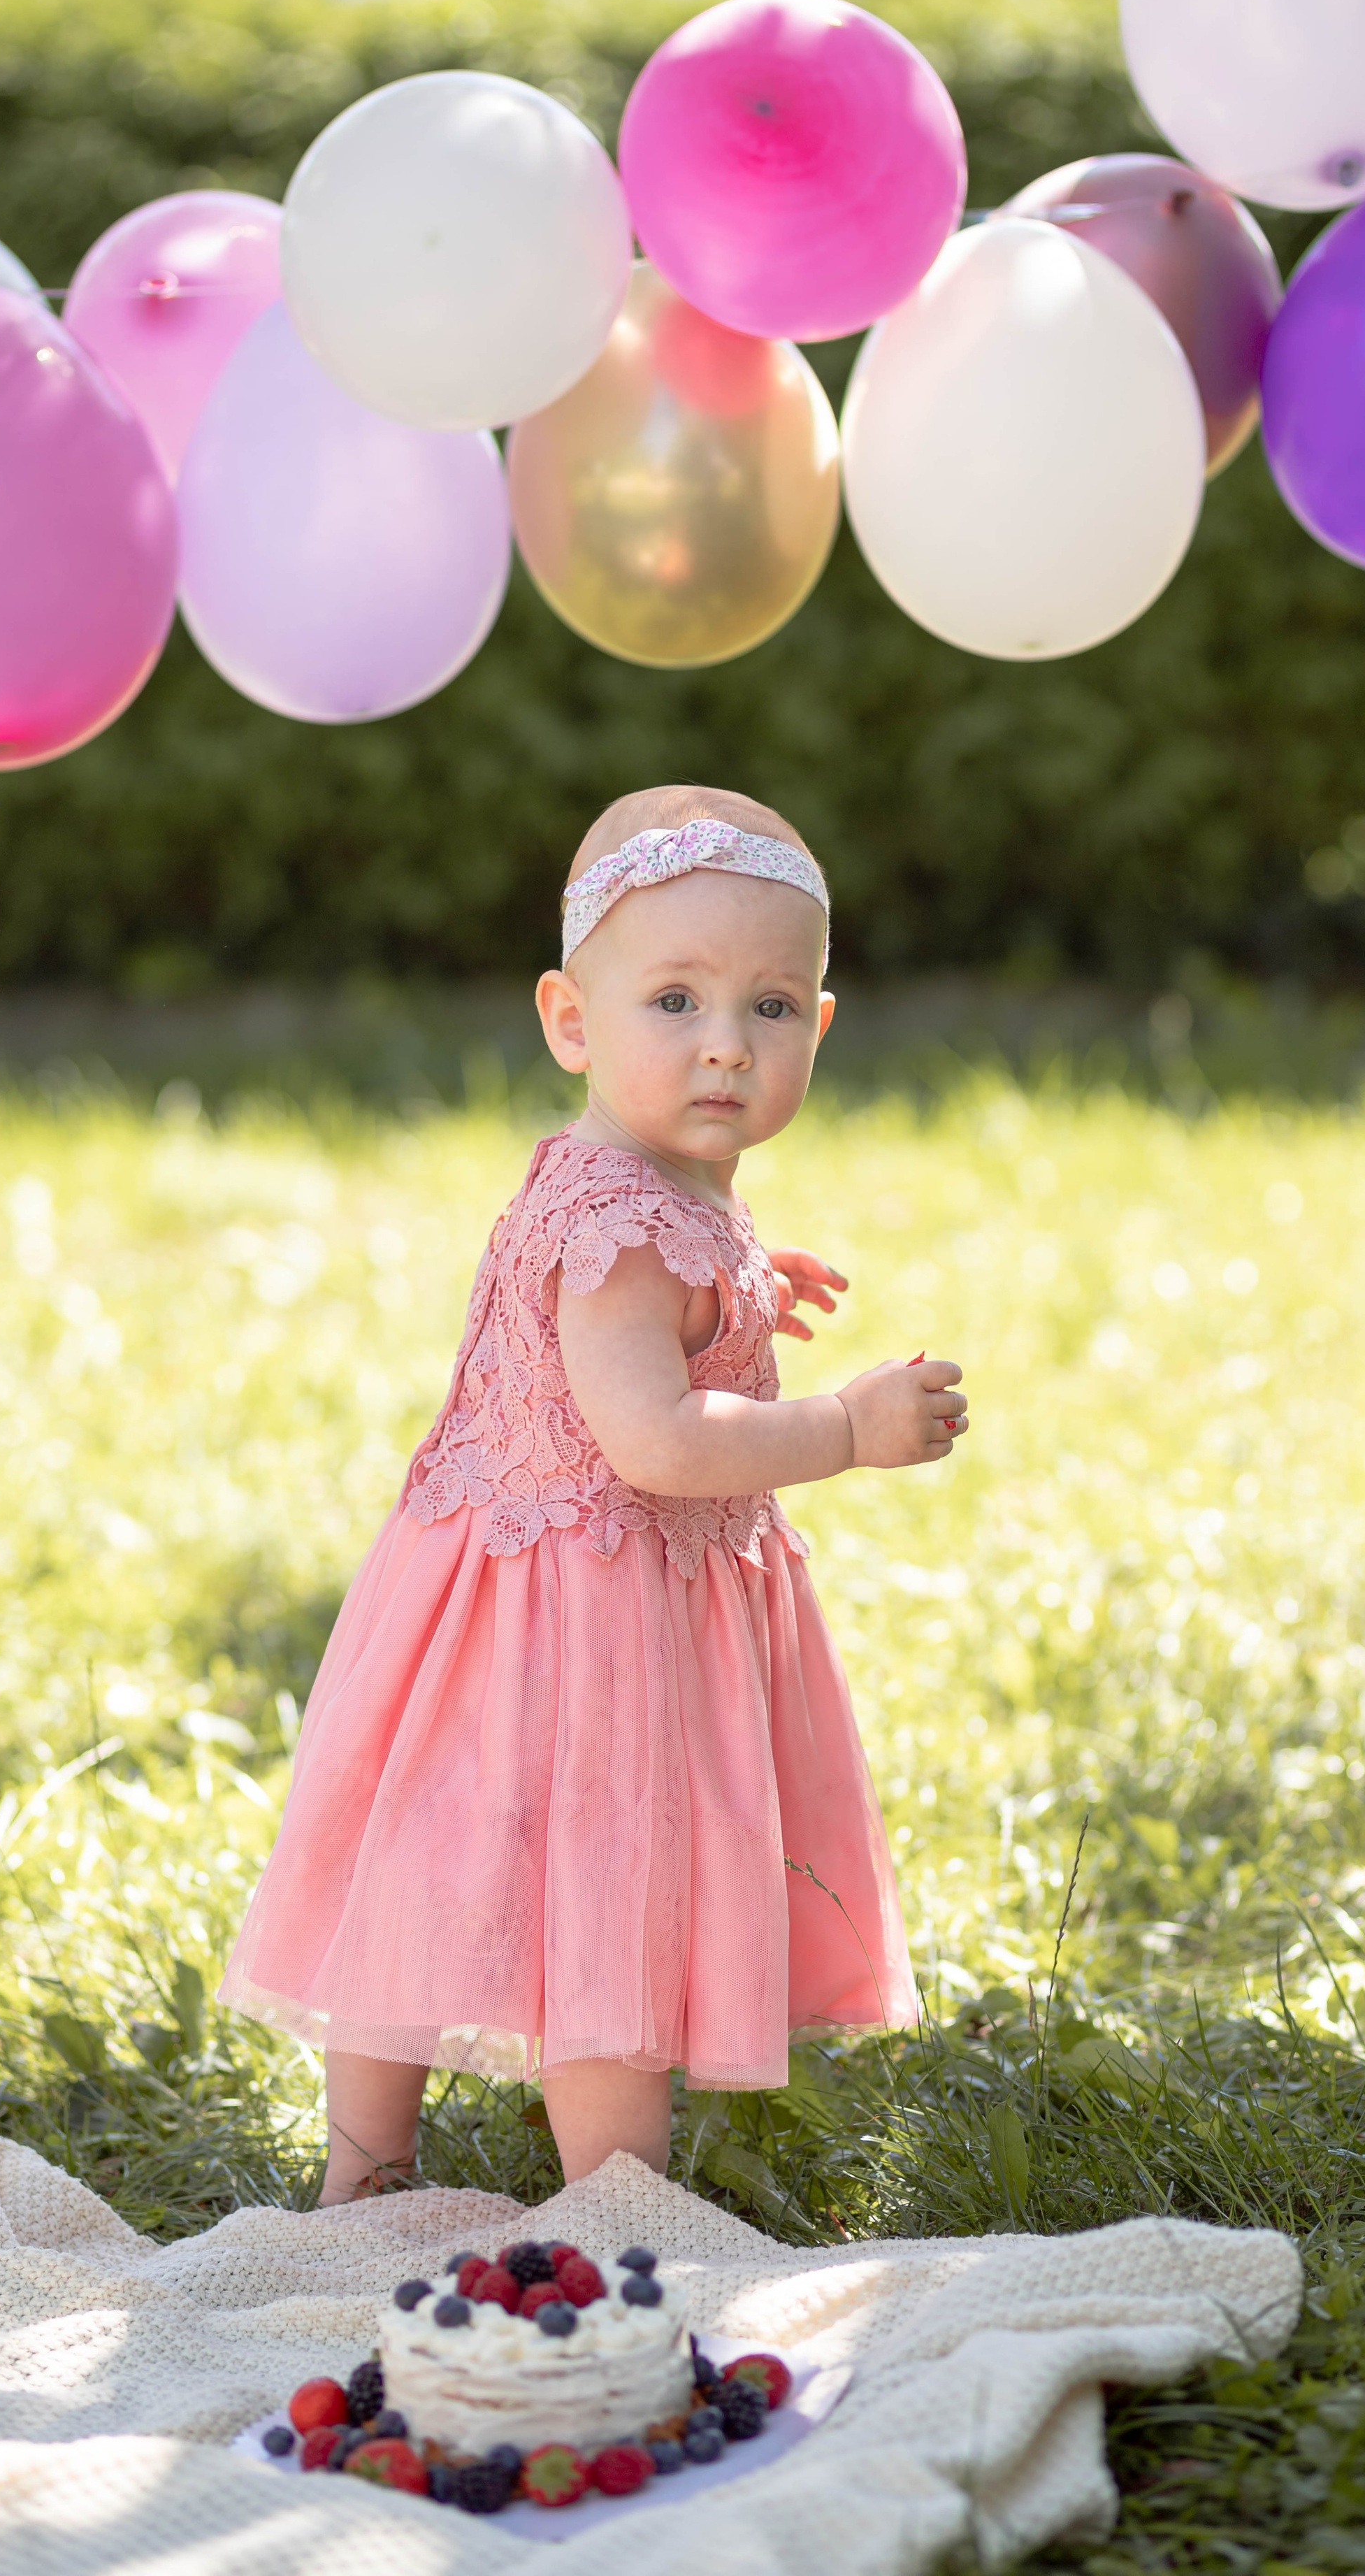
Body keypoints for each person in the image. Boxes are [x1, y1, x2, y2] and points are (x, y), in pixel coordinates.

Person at [219, 783, 969, 2201]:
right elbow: (659, 1445)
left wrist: (741, 1277)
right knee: (604, 1890)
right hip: (585, 1618)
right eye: (673, 1002)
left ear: (815, 1027)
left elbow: (651, 1303)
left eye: (765, 1008)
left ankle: (363, 2171)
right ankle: (612, 2212)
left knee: (437, 1855)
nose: (721, 1049)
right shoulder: (622, 1223)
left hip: (492, 1588)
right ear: (571, 1020)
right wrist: (840, 1426)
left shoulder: (646, 1185)